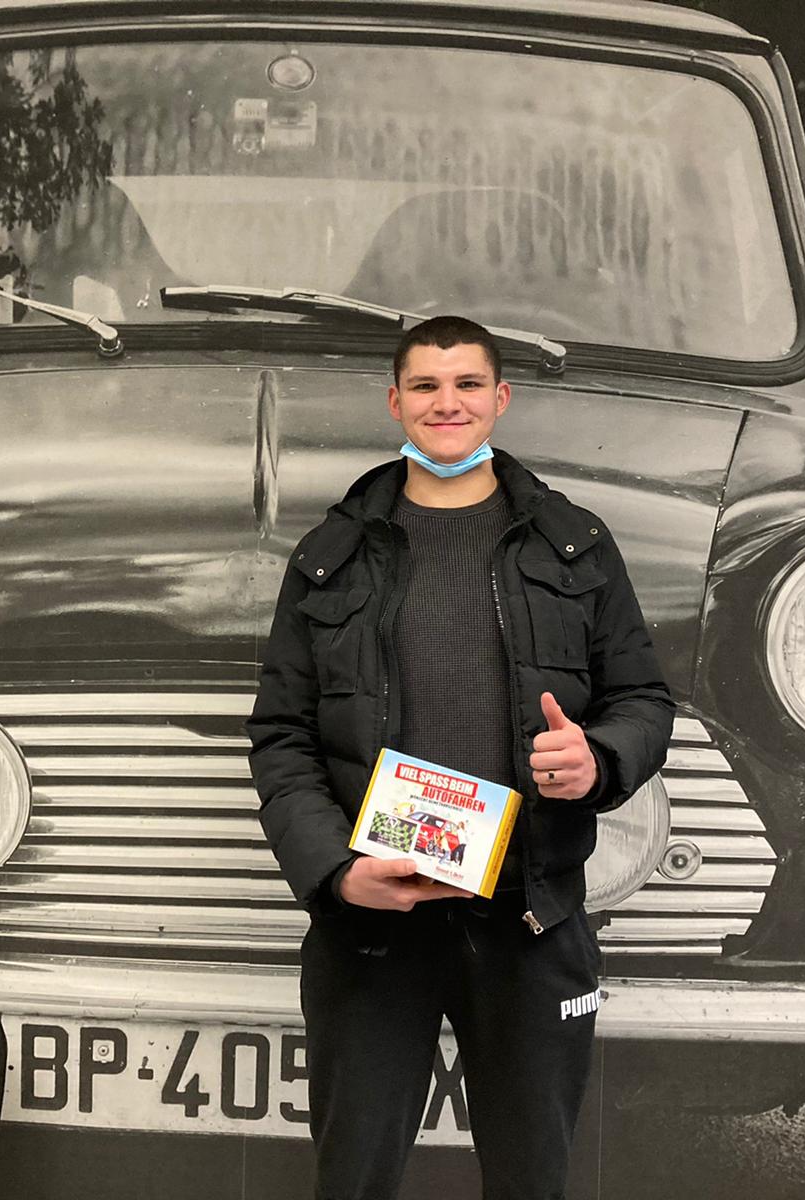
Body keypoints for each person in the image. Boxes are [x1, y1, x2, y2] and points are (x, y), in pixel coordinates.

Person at [246, 315, 675, 1199]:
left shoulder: (576, 546)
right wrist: (337, 875)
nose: (449, 403)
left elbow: (643, 701)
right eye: (427, 386)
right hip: (374, 927)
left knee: (531, 1180)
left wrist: (597, 759)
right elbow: (282, 737)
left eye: (469, 384)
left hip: (530, 922)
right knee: (352, 1181)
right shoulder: (329, 559)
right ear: (395, 402)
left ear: (500, 398)